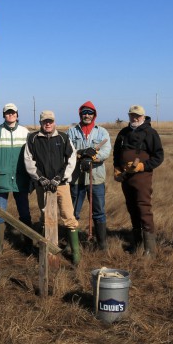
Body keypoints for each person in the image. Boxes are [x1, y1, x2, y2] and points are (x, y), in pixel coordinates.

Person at [24, 110, 81, 265]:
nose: (48, 124)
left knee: (69, 216)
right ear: (41, 122)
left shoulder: (63, 138)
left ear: (54, 121)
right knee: (46, 217)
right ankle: (49, 253)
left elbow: (71, 159)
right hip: (42, 186)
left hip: (61, 185)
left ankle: (76, 254)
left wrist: (60, 178)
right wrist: (40, 178)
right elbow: (29, 161)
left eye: (50, 121)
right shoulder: (33, 138)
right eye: (45, 121)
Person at [112, 104, 164, 258]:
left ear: (143, 116)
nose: (135, 118)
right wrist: (116, 168)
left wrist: (142, 166)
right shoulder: (123, 133)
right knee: (131, 208)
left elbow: (159, 156)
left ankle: (150, 250)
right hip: (125, 177)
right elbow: (116, 153)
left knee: (143, 208)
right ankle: (137, 243)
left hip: (142, 177)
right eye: (132, 115)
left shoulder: (150, 133)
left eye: (138, 116)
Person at [67, 101, 112, 250]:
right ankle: (72, 244)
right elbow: (68, 150)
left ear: (94, 115)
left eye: (90, 113)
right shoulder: (72, 131)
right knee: (73, 212)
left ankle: (102, 244)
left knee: (99, 212)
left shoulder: (102, 132)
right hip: (77, 178)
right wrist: (80, 154)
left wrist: (94, 157)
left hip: (96, 177)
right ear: (80, 114)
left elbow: (106, 150)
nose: (87, 115)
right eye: (84, 113)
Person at [0, 103, 31, 254]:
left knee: (25, 212)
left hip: (21, 179)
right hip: (1, 178)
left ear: (17, 114)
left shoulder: (25, 132)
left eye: (13, 112)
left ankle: (28, 243)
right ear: (4, 115)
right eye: (8, 113)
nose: (10, 115)